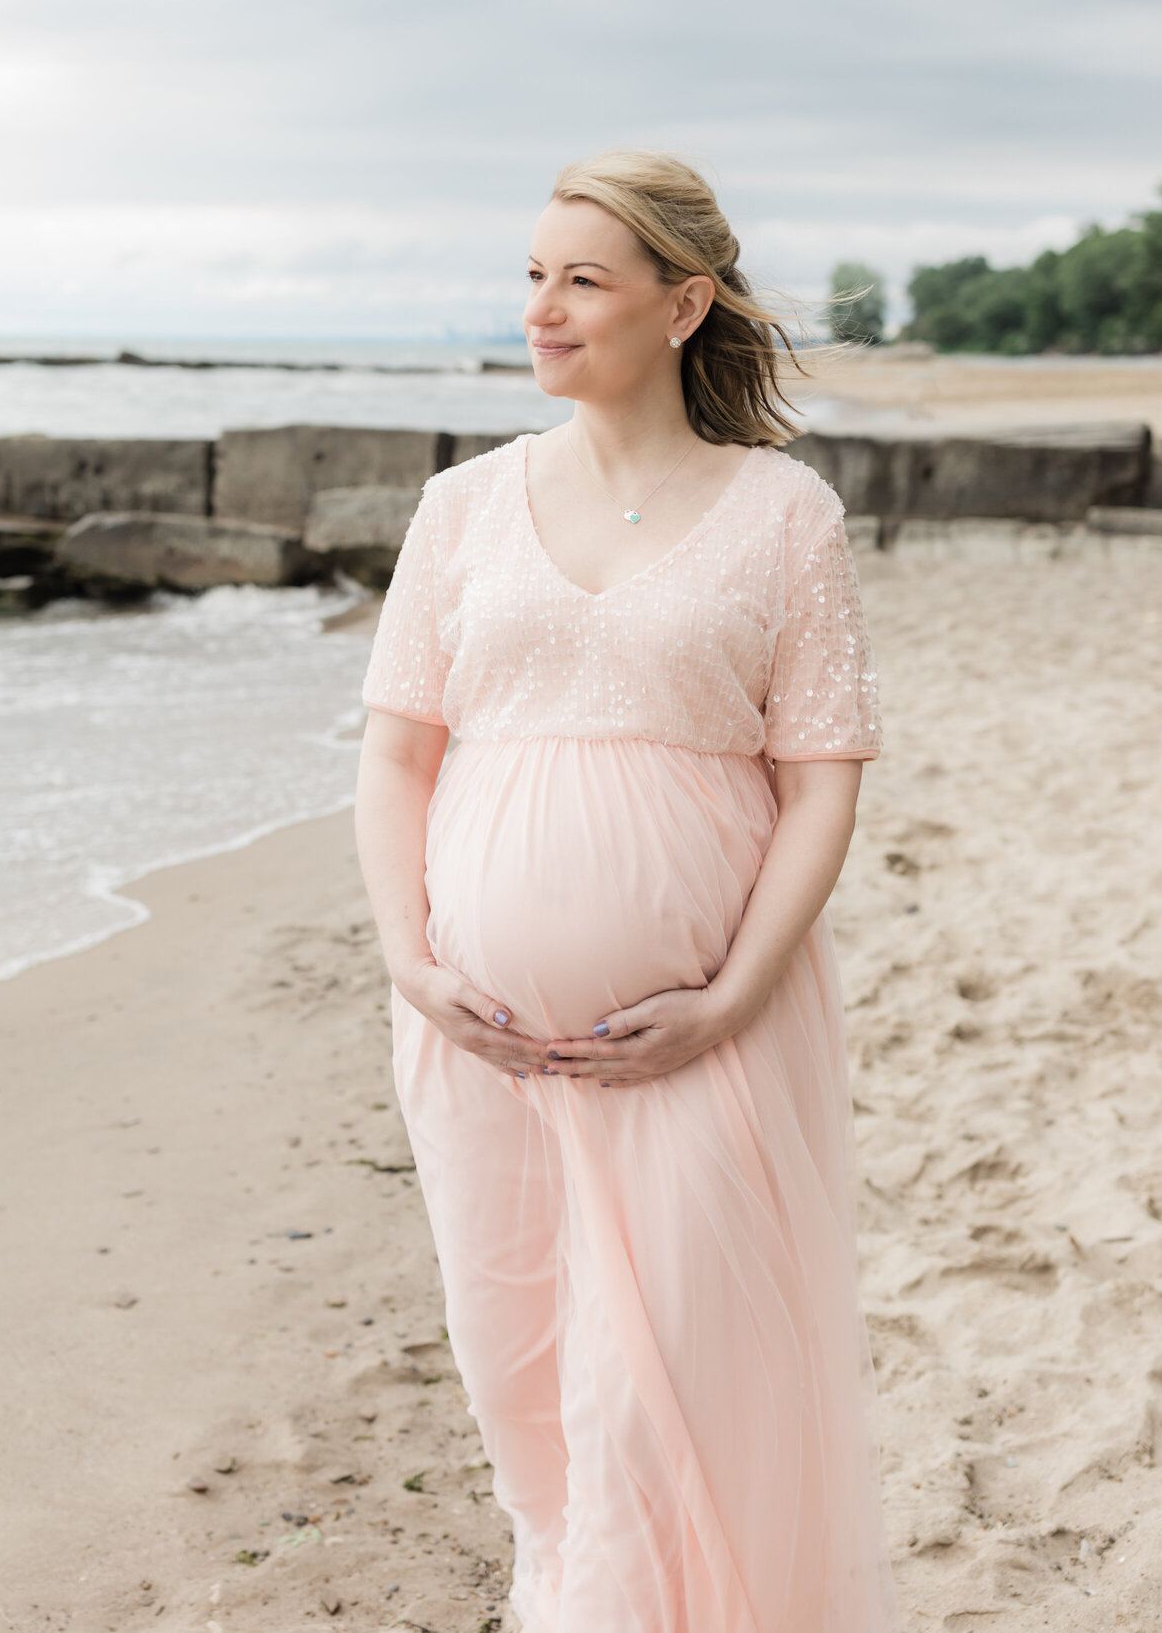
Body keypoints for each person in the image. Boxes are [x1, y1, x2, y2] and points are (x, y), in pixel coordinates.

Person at [354, 151, 897, 1633]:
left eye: (582, 278)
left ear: (684, 303)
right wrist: (413, 963)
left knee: (667, 1406)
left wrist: (728, 998)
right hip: (482, 1046)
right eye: (533, 274)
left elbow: (823, 780)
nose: (542, 307)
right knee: (525, 1393)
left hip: (705, 1041)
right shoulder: (461, 507)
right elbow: (397, 759)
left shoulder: (787, 516)